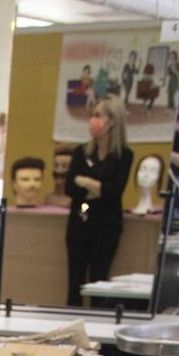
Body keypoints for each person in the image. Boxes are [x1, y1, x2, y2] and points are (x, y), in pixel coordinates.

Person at [63, 96, 132, 306]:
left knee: (98, 284)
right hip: (79, 225)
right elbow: (70, 187)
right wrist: (96, 186)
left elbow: (114, 191)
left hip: (106, 228)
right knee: (75, 284)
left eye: (98, 115)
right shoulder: (81, 152)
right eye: (92, 116)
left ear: (112, 120)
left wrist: (85, 181)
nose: (93, 120)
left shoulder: (124, 156)